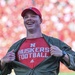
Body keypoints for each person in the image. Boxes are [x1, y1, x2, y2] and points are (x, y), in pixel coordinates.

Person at [0, 7, 75, 75]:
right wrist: (3, 61)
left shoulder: (54, 43)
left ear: (40, 20)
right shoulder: (15, 47)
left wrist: (63, 54)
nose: (29, 19)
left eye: (33, 16)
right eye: (26, 17)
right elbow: (3, 71)